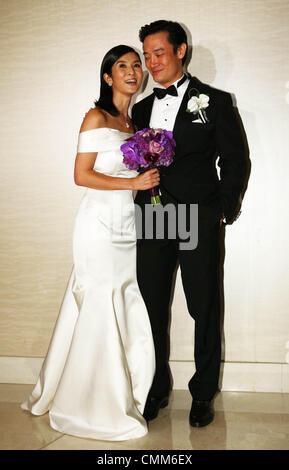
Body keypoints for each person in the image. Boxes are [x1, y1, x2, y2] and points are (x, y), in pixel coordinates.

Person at [21, 45, 158, 441]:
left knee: (120, 298)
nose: (133, 72)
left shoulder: (133, 124)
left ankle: (117, 389)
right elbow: (81, 175)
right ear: (107, 76)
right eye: (122, 66)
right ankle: (92, 403)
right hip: (97, 224)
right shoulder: (95, 116)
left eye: (137, 65)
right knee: (100, 300)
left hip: (127, 225)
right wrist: (133, 181)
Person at [132, 20, 248, 427]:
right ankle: (155, 387)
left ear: (181, 50)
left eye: (158, 53)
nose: (151, 62)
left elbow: (236, 160)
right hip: (154, 214)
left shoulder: (214, 101)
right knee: (150, 308)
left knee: (204, 306)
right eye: (146, 54)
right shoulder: (142, 107)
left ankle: (202, 394)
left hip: (197, 215)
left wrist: (221, 208)